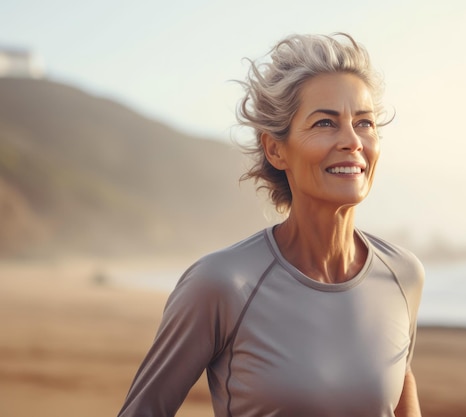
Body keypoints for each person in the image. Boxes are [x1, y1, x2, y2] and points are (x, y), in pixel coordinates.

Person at [117, 33, 425, 417]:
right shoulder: (220, 284)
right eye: (326, 123)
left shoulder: (402, 275)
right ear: (276, 149)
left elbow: (401, 395)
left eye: (364, 123)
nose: (352, 141)